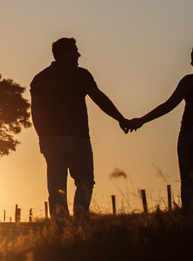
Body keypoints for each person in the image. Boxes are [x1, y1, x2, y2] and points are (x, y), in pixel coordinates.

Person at [123, 44, 193, 214]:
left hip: (190, 135)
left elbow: (168, 106)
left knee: (188, 182)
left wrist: (142, 120)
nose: (190, 60)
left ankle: (189, 221)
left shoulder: (189, 82)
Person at [30, 37, 128, 220]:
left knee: (56, 186)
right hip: (77, 137)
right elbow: (99, 98)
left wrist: (42, 137)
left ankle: (61, 227)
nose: (78, 54)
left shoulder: (40, 78)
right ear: (65, 53)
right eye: (75, 50)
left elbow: (35, 112)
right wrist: (120, 119)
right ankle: (80, 222)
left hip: (51, 139)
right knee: (84, 182)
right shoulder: (81, 74)